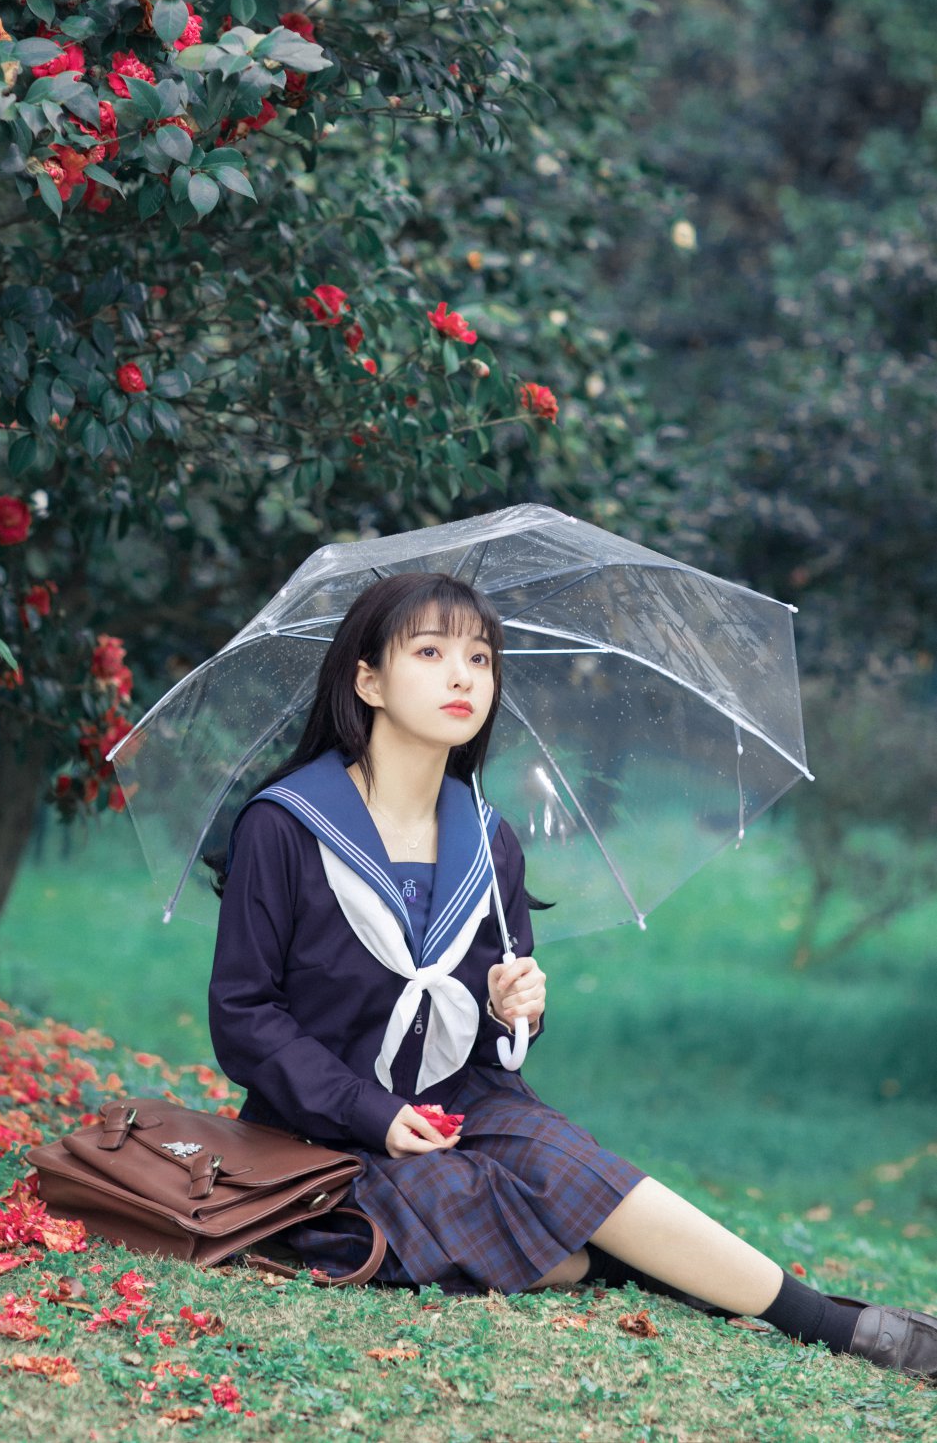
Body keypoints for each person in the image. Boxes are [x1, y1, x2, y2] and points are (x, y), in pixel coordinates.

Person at [205, 571, 937, 1382]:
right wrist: (373, 1114)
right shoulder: (285, 826)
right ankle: (643, 1262)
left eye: (480, 658)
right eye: (430, 653)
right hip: (321, 1130)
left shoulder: (485, 840)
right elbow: (245, 1015)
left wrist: (511, 1008)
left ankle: (841, 1325)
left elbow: (487, 1029)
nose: (462, 677)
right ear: (367, 680)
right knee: (474, 1215)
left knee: (571, 1167)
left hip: (458, 1102)